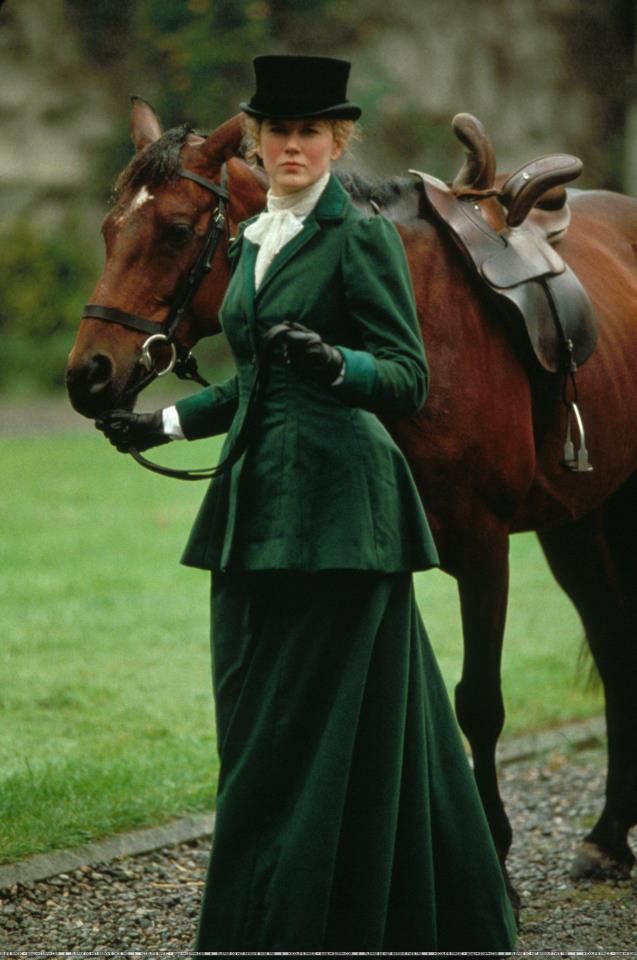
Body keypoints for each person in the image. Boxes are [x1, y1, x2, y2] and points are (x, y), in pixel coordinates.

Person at [97, 54, 517, 952]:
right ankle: (291, 911)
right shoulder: (252, 243)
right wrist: (160, 423)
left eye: (310, 133)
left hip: (341, 516)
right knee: (258, 725)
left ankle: (310, 919)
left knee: (319, 734)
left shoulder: (357, 237)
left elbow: (406, 377)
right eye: (278, 133)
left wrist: (339, 365)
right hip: (254, 511)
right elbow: (251, 383)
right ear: (257, 140)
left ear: (336, 141)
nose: (293, 146)